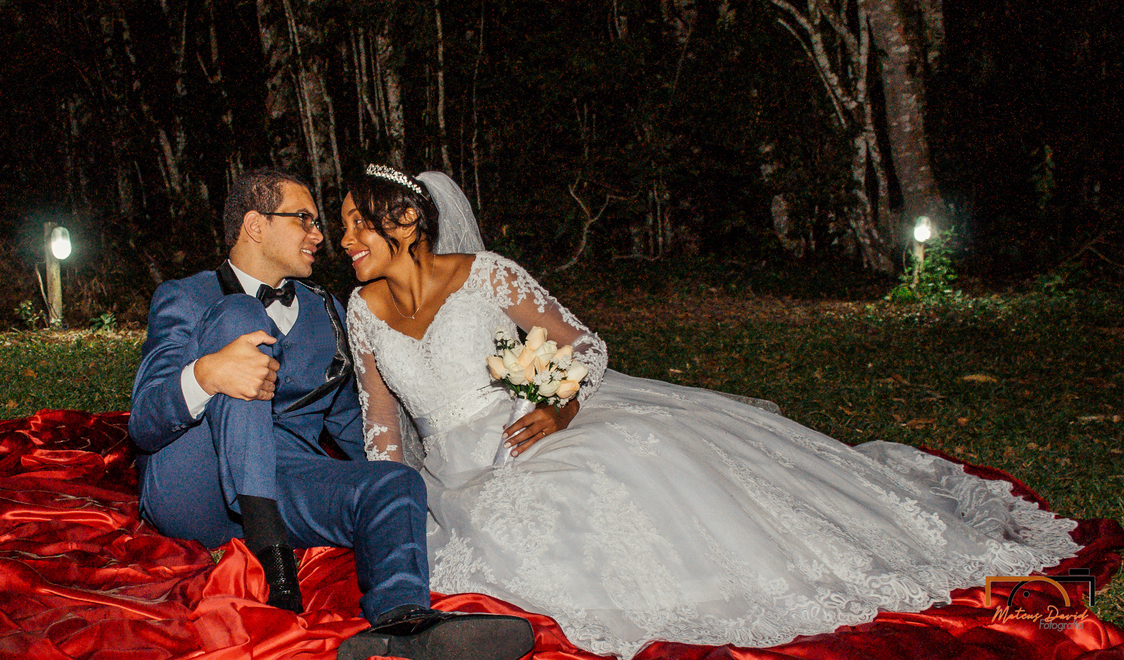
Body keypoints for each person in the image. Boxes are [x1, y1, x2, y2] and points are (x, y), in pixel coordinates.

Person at [340, 164, 1085, 660]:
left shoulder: (488, 274)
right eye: (341, 227)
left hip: (533, 429)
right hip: (449, 467)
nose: (344, 242)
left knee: (618, 469)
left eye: (356, 225)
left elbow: (584, 347)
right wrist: (390, 494)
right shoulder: (361, 308)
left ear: (405, 219)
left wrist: (559, 411)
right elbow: (380, 418)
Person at [130, 168, 533, 660]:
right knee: (239, 316)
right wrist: (208, 374)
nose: (321, 236)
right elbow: (146, 422)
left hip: (286, 481)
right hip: (198, 483)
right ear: (256, 225)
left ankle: (405, 622)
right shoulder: (185, 295)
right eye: (304, 219)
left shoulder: (325, 310)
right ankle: (269, 551)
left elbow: (350, 420)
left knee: (394, 481)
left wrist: (404, 479)